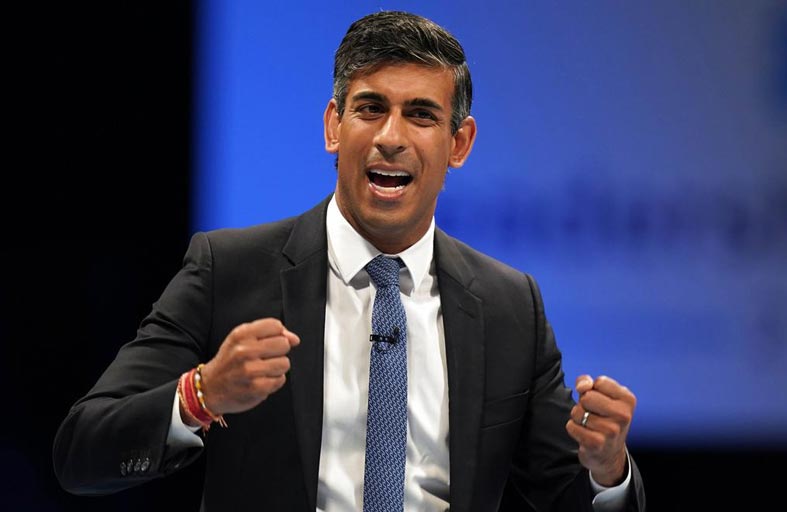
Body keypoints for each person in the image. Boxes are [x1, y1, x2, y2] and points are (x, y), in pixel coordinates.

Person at [53, 10, 646, 512]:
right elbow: (81, 451)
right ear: (334, 126)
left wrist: (609, 469)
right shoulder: (229, 271)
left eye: (421, 114)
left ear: (459, 144)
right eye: (370, 108)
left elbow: (569, 494)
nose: (391, 136)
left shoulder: (508, 306)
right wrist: (199, 395)